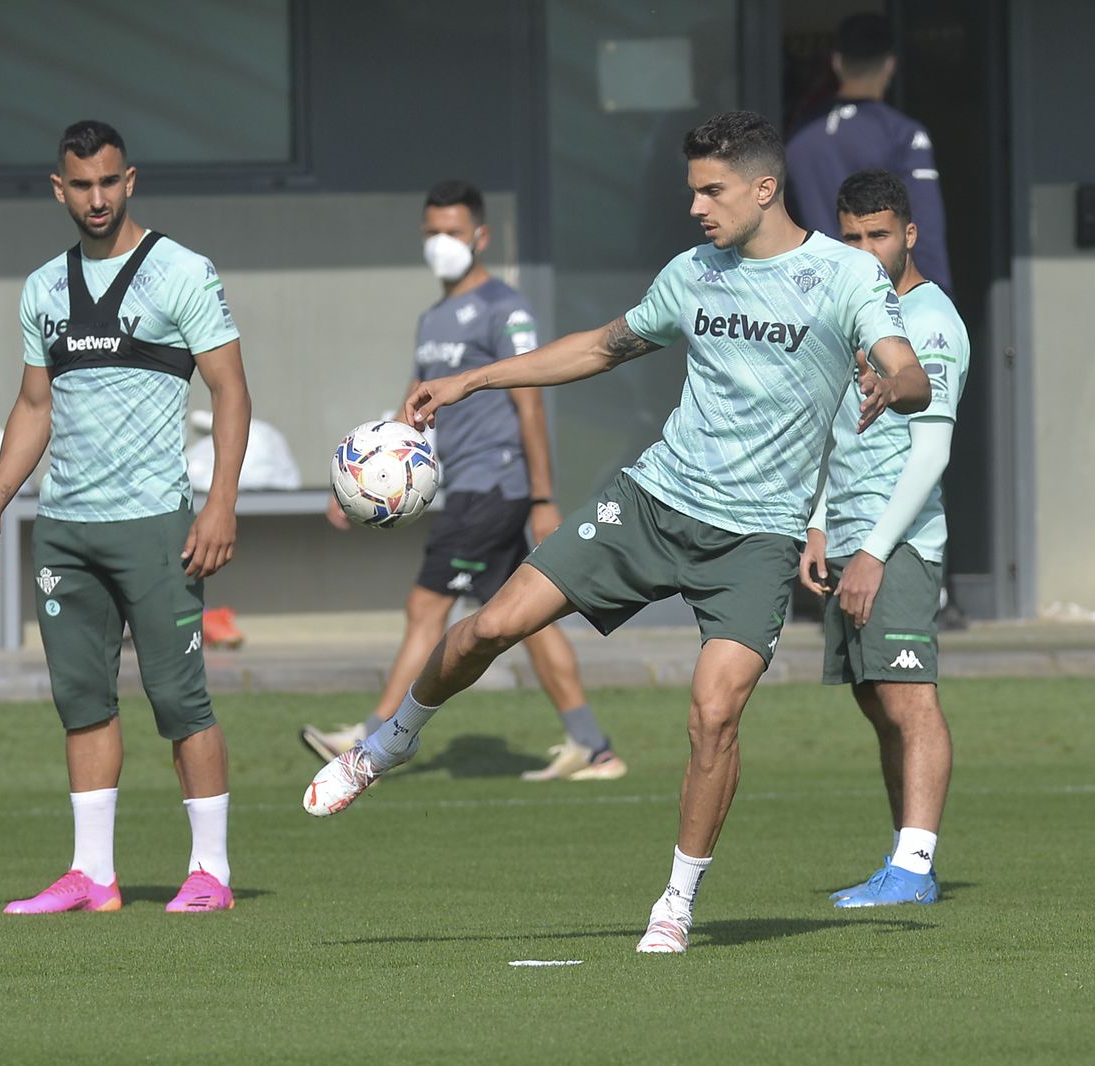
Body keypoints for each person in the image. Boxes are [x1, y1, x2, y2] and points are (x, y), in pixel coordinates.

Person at [302, 110, 931, 953]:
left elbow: (908, 367)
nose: (698, 207)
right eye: (693, 191)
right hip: (653, 502)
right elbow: (601, 347)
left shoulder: (845, 276)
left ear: (764, 187)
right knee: (492, 624)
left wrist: (899, 384)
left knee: (714, 717)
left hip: (757, 542)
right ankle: (389, 741)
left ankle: (675, 903)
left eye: (712, 190)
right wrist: (473, 380)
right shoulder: (694, 273)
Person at [0, 120, 251, 914]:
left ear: (131, 180)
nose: (97, 198)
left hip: (157, 524)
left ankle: (211, 874)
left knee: (179, 700)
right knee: (82, 700)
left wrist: (221, 499)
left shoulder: (183, 272)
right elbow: (33, 405)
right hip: (65, 528)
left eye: (109, 182)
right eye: (81, 185)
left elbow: (230, 389)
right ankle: (94, 876)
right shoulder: (42, 288)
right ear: (60, 189)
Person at [301, 180, 624, 782]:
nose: (440, 243)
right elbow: (414, 408)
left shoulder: (507, 308)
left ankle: (374, 736)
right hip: (467, 486)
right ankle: (593, 746)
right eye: (431, 232)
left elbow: (530, 403)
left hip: (493, 486)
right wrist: (359, 480)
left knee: (426, 603)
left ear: (480, 236)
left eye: (451, 232)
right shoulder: (432, 318)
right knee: (524, 617)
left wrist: (543, 496)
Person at [799, 168, 967, 908]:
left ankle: (915, 865)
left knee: (910, 703)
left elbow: (932, 452)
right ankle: (904, 859)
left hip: (896, 548)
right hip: (850, 540)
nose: (865, 250)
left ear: (910, 234)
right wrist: (820, 523)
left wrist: (870, 551)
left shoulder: (932, 323)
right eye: (851, 237)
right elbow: (840, 434)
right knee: (876, 704)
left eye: (878, 235)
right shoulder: (859, 316)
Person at [785, 12, 952, 295]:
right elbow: (925, 227)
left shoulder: (800, 135)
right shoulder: (901, 134)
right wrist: (937, 298)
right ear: (890, 64)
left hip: (811, 297)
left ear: (837, 62)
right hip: (877, 297)